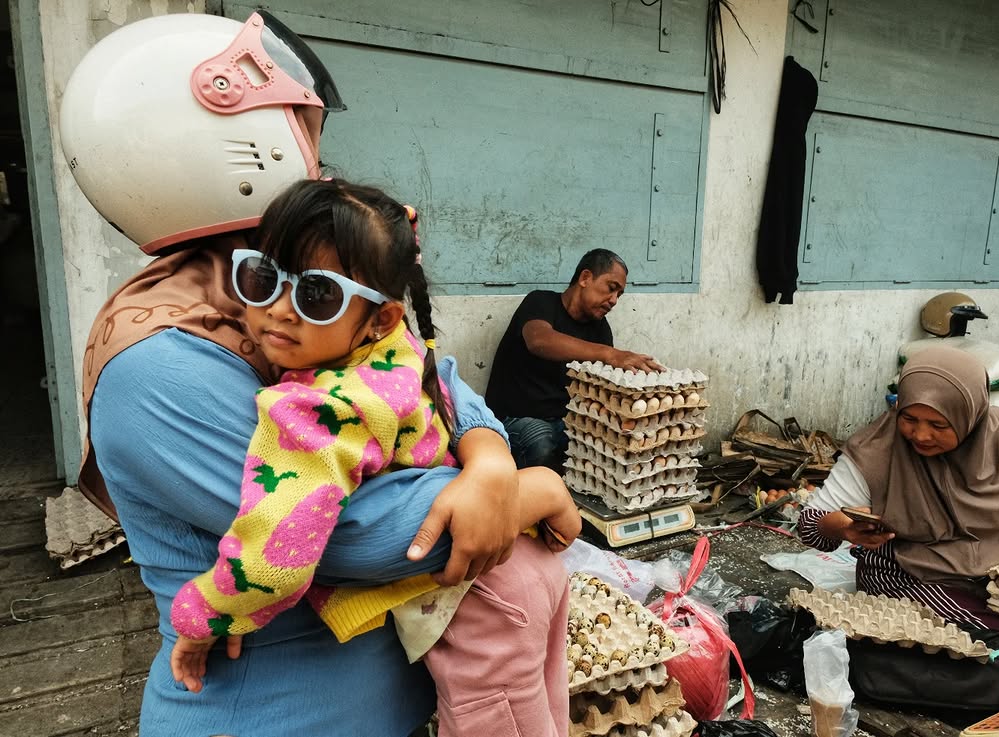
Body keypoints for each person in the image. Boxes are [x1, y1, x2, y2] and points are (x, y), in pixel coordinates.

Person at [60, 11, 541, 736]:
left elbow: (424, 372)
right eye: (305, 130)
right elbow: (360, 536)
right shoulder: (155, 365)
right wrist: (534, 490)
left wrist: (492, 460)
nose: (317, 157)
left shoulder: (281, 274)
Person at [168, 179, 578, 737]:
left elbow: (275, 557)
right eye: (263, 279)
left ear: (380, 318)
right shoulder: (398, 349)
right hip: (525, 569)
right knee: (545, 715)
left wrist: (206, 617)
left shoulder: (321, 408)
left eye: (317, 295)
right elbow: (454, 391)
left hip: (482, 598)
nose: (279, 311)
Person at [798, 345, 999, 644]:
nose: (921, 435)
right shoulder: (876, 451)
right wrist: (844, 527)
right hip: (911, 577)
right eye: (909, 419)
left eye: (938, 425)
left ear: (970, 414)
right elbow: (810, 524)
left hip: (998, 570)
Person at [485, 249, 663, 470]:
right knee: (541, 443)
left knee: (611, 444)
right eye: (611, 288)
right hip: (514, 419)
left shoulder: (600, 330)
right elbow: (539, 340)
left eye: (619, 294)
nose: (614, 300)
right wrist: (610, 354)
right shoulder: (540, 302)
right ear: (585, 278)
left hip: (565, 422)